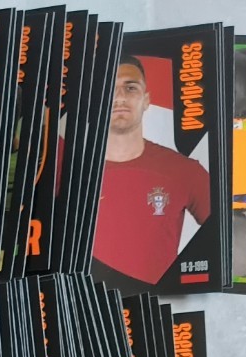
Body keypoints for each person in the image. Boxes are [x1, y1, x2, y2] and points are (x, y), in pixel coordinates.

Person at [91, 55, 214, 288]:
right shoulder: (67, 172)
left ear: (146, 100)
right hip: (86, 302)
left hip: (156, 304)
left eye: (130, 88)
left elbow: (226, 238)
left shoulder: (183, 170)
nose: (120, 97)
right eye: (110, 89)